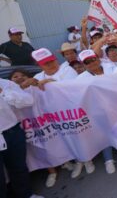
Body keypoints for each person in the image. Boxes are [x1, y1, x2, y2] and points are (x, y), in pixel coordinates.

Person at [30, 48, 78, 187]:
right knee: (61, 139)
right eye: (46, 63)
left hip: (70, 113)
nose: (51, 65)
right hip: (51, 116)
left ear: (56, 59)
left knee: (75, 136)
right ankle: (66, 162)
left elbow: (72, 88)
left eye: (52, 61)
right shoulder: (38, 77)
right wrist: (26, 86)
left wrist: (52, 83)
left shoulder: (68, 70)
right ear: (40, 65)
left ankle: (82, 161)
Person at [0, 78, 44, 198]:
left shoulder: (6, 84)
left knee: (18, 168)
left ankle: (26, 195)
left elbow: (29, 101)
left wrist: (3, 92)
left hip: (12, 132)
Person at [77, 50, 116, 173]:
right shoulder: (80, 79)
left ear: (98, 59)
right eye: (87, 62)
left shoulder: (112, 67)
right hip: (97, 111)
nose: (91, 63)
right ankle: (108, 160)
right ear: (84, 65)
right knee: (103, 134)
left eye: (93, 59)